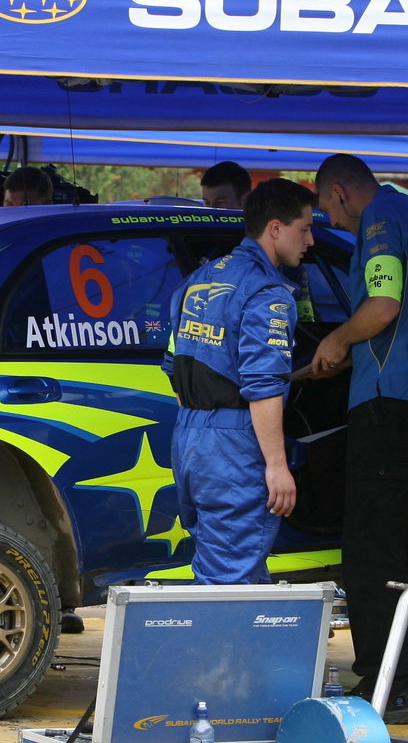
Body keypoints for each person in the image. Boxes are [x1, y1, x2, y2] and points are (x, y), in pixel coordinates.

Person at [310, 153, 408, 721]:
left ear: (342, 193)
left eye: (326, 206)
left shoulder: (378, 224)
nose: (331, 219)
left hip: (390, 397)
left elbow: (383, 305)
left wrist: (338, 341)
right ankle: (397, 681)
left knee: (371, 551)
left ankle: (382, 683)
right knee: (402, 548)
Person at [163, 178, 311, 583]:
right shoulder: (268, 294)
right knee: (230, 574)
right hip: (234, 445)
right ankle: (222, 647)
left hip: (190, 438)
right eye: (305, 228)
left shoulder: (196, 281)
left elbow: (176, 369)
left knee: (222, 562)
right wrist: (277, 466)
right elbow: (263, 387)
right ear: (276, 228)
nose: (311, 240)